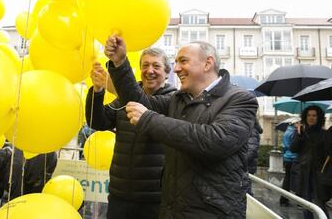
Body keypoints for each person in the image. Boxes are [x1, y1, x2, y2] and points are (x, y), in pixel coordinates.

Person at [104, 36, 258, 219]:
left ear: (208, 63)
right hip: (173, 209)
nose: (176, 69)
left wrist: (148, 119)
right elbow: (139, 101)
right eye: (176, 62)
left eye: (183, 61)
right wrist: (120, 62)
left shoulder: (239, 99)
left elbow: (215, 141)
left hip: (212, 212)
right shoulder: (178, 98)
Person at [85, 48, 176, 219]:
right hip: (120, 195)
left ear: (166, 73)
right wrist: (97, 91)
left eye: (156, 66)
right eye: (145, 65)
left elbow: (145, 103)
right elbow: (98, 122)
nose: (150, 70)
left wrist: (117, 88)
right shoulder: (125, 96)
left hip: (155, 199)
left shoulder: (173, 99)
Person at [290, 106, 332, 219]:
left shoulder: (324, 134)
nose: (311, 118)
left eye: (314, 115)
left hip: (319, 173)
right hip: (304, 173)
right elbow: (293, 148)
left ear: (319, 117)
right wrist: (299, 135)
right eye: (308, 115)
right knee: (305, 203)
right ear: (305, 117)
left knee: (320, 204)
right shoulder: (301, 132)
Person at [279, 118, 300, 207]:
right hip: (293, 158)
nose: (300, 124)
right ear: (295, 124)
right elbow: (295, 146)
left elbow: (284, 146)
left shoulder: (287, 131)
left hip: (287, 157)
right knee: (297, 180)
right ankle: (299, 201)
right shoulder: (294, 132)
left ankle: (283, 199)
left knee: (287, 179)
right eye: (299, 123)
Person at [247, 118, 263, 195]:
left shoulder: (251, 131)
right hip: (248, 166)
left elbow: (251, 149)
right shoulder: (250, 129)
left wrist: (239, 161)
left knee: (246, 190)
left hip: (247, 166)